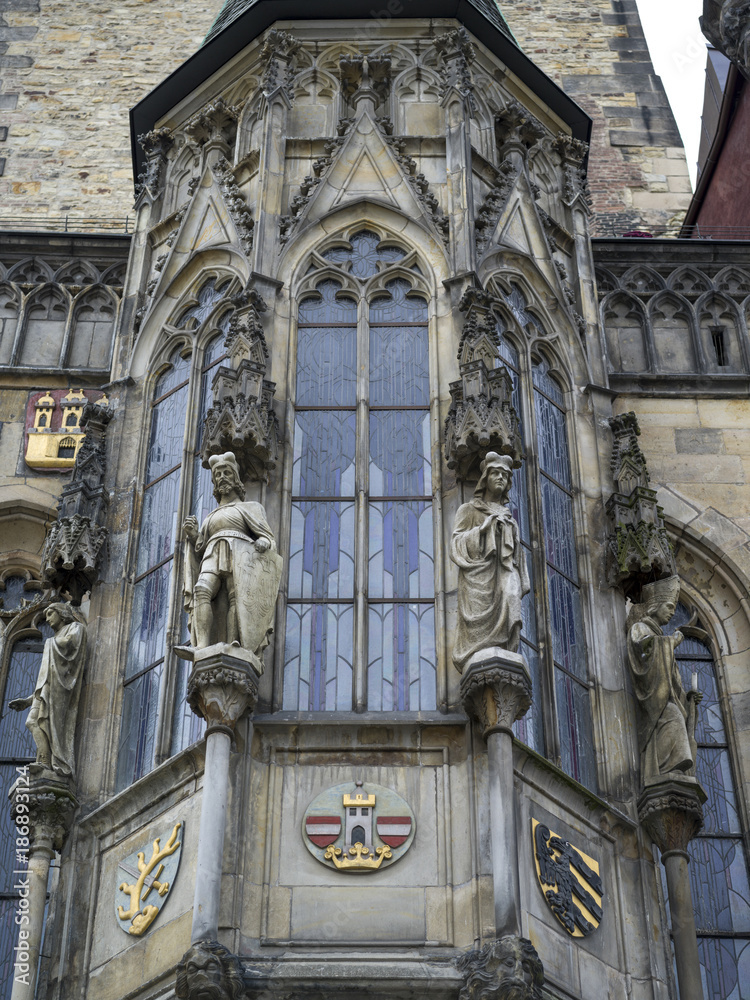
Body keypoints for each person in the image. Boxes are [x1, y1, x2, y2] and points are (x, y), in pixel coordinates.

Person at [182, 451, 282, 660]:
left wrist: (264, 541)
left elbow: (267, 537)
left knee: (237, 596)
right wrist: (193, 536)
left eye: (226, 472)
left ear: (236, 479)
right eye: (218, 474)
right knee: (202, 590)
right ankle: (201, 646)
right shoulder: (211, 516)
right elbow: (201, 547)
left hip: (239, 555)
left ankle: (236, 641)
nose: (222, 477)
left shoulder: (250, 508)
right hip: (213, 553)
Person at [450, 452, 530, 670]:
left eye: (504, 475)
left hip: (504, 569)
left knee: (512, 594)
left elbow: (517, 555)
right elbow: (456, 544)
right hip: (478, 577)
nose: (500, 478)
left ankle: (506, 647)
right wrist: (481, 531)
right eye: (495, 473)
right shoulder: (469, 510)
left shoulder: (508, 516)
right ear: (485, 478)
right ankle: (480, 651)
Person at [626, 575, 702, 781]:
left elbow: (671, 680)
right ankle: (664, 769)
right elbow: (642, 652)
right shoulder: (640, 628)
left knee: (677, 713)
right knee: (673, 716)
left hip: (667, 698)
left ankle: (672, 771)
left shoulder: (658, 635)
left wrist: (688, 698)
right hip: (655, 700)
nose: (672, 612)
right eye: (668, 606)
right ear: (654, 606)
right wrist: (669, 644)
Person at [9, 602, 87, 778]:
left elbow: (71, 646)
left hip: (60, 688)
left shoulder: (75, 627)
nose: (48, 619)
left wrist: (51, 644)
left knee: (45, 723)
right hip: (46, 689)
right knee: (31, 722)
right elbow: (45, 677)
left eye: (51, 614)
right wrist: (28, 700)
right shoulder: (55, 638)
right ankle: (44, 761)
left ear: (61, 614)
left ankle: (48, 763)